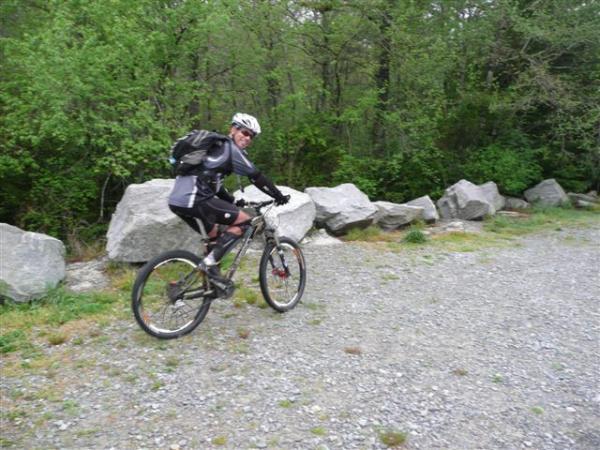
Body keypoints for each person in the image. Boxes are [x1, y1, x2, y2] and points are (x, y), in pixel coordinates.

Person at [168, 113, 289, 284]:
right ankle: (208, 265)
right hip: (194, 197)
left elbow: (214, 185)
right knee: (245, 222)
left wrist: (234, 201)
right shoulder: (230, 148)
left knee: (213, 233)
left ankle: (212, 281)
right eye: (245, 133)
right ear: (233, 129)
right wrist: (278, 195)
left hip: (177, 200)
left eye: (251, 136)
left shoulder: (216, 150)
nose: (248, 138)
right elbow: (256, 177)